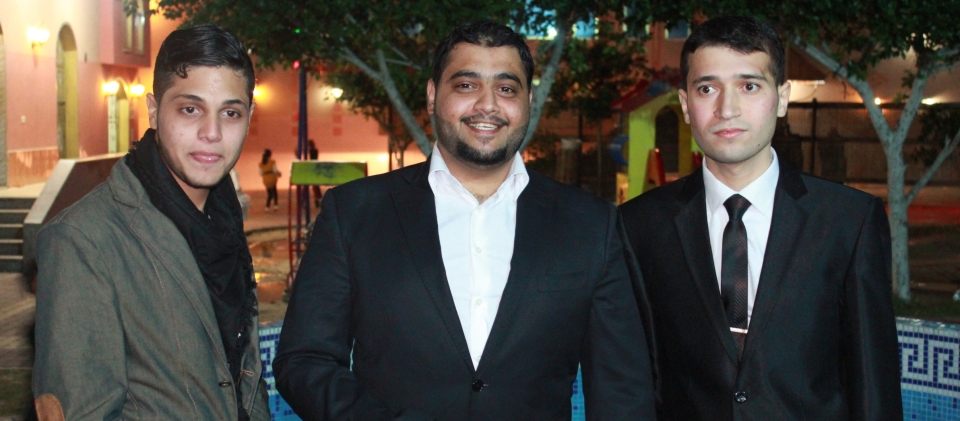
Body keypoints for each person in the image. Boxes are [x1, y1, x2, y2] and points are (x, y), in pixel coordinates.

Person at [274, 21, 656, 420]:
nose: (487, 105)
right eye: (466, 85)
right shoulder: (354, 212)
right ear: (432, 95)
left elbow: (622, 389)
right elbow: (304, 360)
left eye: (506, 89)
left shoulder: (590, 225)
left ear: (528, 101)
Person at [619, 16, 901, 420]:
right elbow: (632, 375)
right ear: (685, 104)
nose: (726, 109)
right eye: (707, 88)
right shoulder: (639, 224)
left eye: (749, 86)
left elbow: (874, 382)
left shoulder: (848, 221)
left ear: (782, 98)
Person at [32, 25, 269, 420]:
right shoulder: (83, 239)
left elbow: (244, 374)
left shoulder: (223, 217)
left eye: (230, 113)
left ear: (248, 118)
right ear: (155, 111)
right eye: (190, 109)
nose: (211, 133)